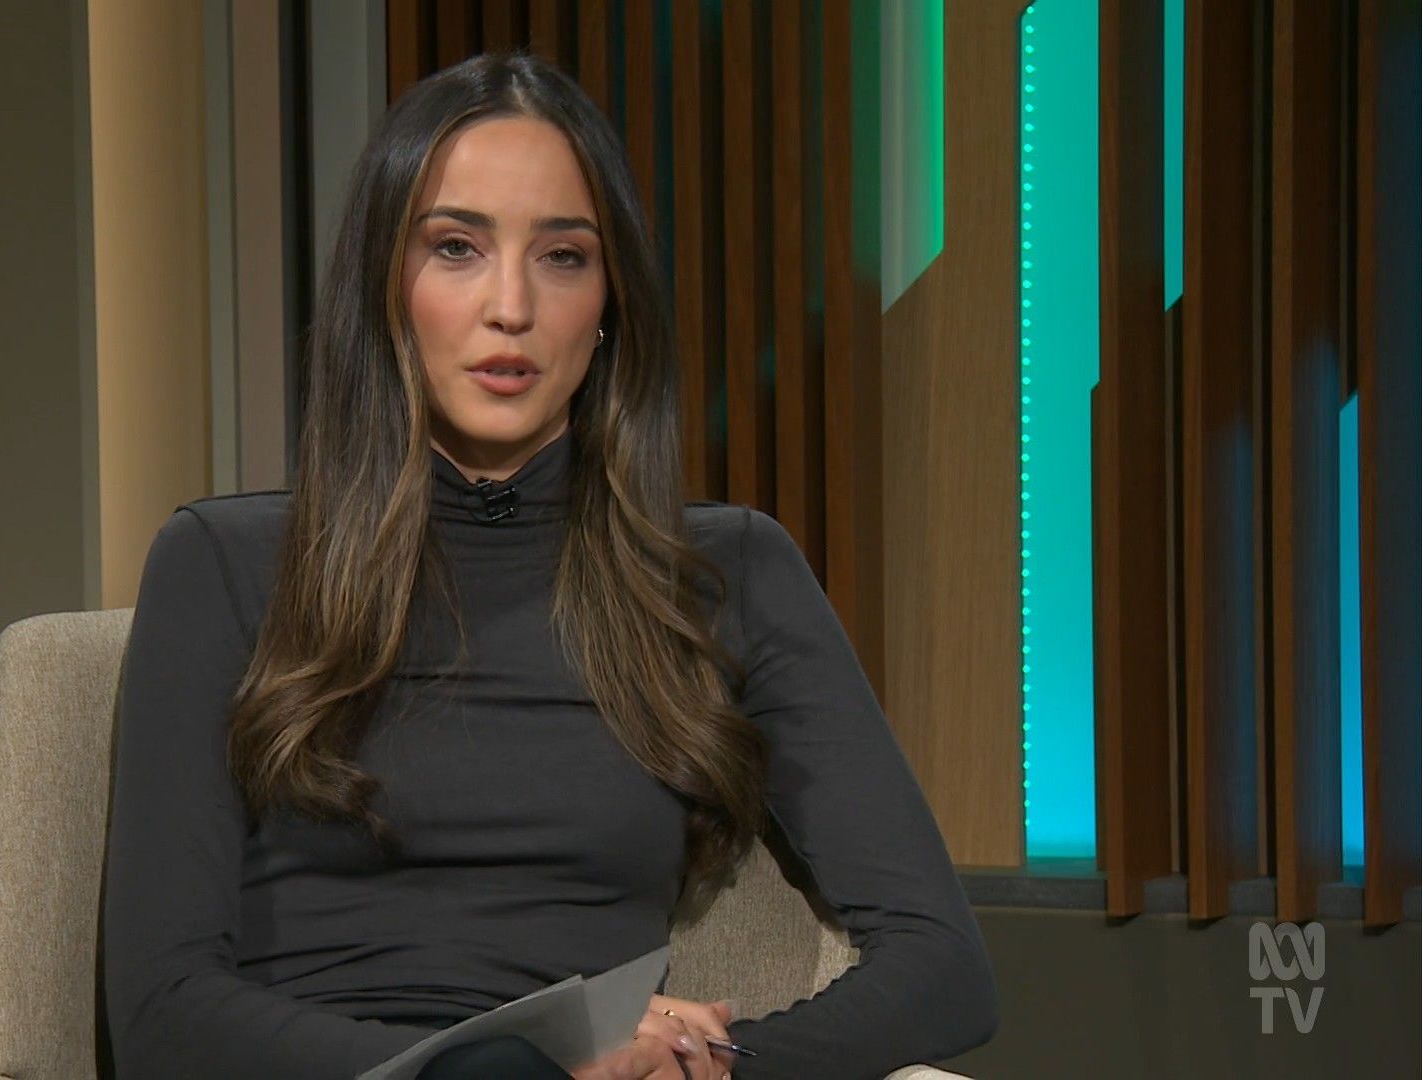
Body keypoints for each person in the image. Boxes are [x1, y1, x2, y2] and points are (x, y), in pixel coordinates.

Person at [100, 50, 997, 1080]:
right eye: (456, 248)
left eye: (563, 256)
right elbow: (163, 1013)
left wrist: (715, 1066)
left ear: (610, 301)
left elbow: (943, 968)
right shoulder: (226, 565)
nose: (511, 306)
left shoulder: (726, 570)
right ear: (385, 285)